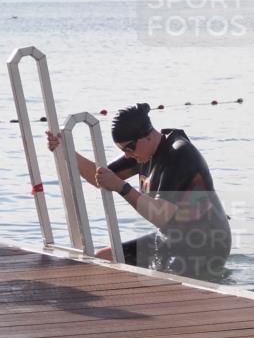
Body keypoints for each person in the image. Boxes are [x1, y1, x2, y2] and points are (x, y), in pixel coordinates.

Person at [46, 103, 231, 281]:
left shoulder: (179, 154)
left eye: (128, 148)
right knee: (103, 258)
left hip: (204, 243)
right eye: (122, 150)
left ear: (147, 136)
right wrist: (66, 151)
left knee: (161, 286)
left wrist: (121, 187)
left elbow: (161, 215)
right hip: (172, 237)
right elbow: (101, 176)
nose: (127, 155)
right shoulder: (142, 152)